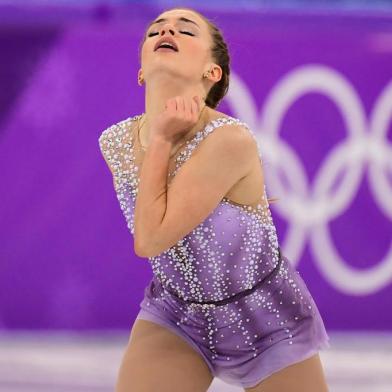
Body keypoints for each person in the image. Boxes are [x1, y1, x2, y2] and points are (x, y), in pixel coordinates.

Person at [99, 6, 330, 392]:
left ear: (212, 72)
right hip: (177, 315)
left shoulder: (229, 141)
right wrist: (160, 138)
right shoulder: (117, 143)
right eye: (155, 30)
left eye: (185, 30)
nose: (166, 30)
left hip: (267, 323)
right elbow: (152, 241)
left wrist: (160, 140)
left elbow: (150, 238)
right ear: (141, 70)